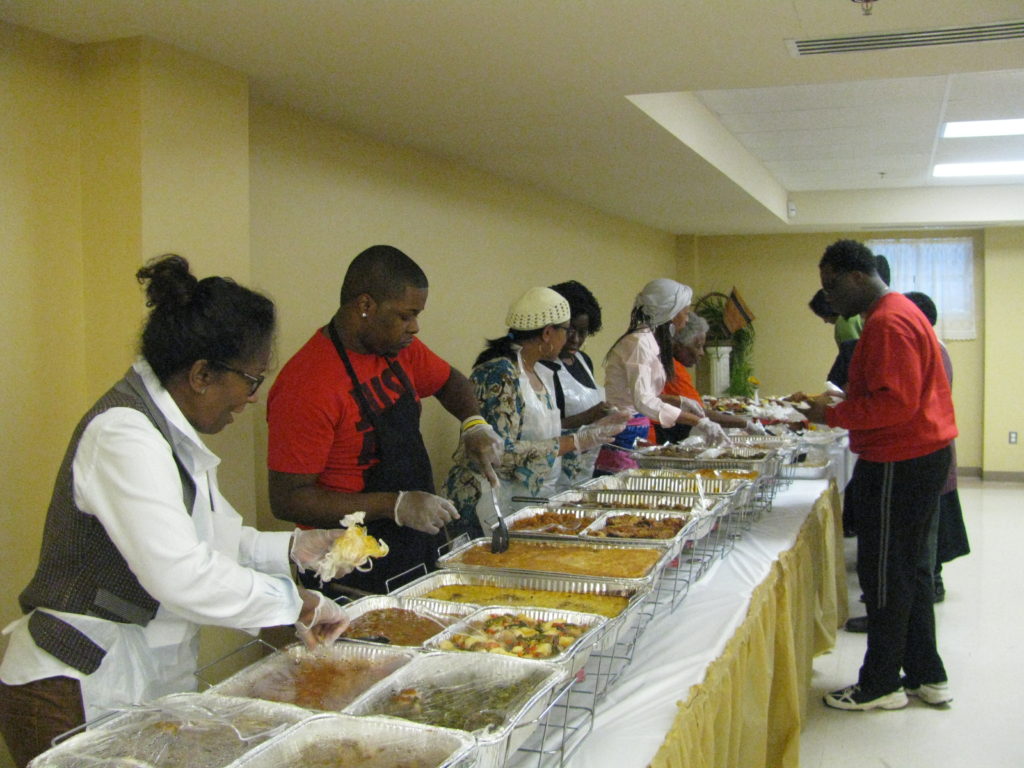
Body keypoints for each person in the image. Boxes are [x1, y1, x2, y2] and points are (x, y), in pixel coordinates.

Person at [0, 255, 349, 767]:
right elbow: (180, 573)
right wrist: (290, 602)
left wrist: (296, 547)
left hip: (126, 670)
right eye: (252, 380)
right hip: (70, 684)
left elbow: (215, 536)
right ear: (203, 374)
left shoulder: (171, 430)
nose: (253, 399)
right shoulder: (124, 433)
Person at [266, 245, 504, 596]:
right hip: (348, 562)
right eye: (406, 315)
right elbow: (287, 500)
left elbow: (450, 381)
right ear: (365, 306)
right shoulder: (307, 384)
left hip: (414, 540)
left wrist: (474, 424)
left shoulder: (398, 349)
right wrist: (393, 505)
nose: (416, 327)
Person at [803, 240, 957, 711]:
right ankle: (927, 674)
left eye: (831, 286)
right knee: (908, 571)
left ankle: (881, 683)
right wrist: (843, 405)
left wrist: (833, 415)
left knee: (885, 574)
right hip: (918, 454)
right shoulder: (896, 312)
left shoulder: (888, 321)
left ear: (855, 277)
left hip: (900, 459)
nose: (828, 297)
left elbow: (895, 403)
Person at [444, 287, 628, 539]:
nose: (570, 339)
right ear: (548, 333)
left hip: (521, 498)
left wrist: (593, 429)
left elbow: (541, 433)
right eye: (567, 330)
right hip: (486, 501)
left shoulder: (540, 371)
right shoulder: (500, 374)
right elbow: (498, 453)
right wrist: (576, 441)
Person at [597, 278, 727, 474]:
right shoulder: (638, 343)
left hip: (636, 427)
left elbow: (642, 394)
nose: (687, 318)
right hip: (623, 430)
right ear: (671, 313)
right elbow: (644, 401)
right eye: (685, 311)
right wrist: (697, 421)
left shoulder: (647, 340)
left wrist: (680, 401)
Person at [903, 291, 970, 602]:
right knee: (932, 523)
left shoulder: (933, 350)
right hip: (932, 448)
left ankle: (932, 585)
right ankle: (931, 581)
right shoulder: (930, 347)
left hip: (930, 449)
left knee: (930, 527)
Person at [540, 280, 615, 488]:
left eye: (583, 332)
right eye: (570, 330)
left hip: (584, 470)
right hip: (554, 476)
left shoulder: (584, 361)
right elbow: (541, 432)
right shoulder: (543, 368)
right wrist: (588, 417)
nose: (575, 339)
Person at [653, 313, 759, 444]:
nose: (701, 353)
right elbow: (700, 412)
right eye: (697, 346)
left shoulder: (664, 361)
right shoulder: (673, 368)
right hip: (657, 435)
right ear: (678, 344)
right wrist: (744, 424)